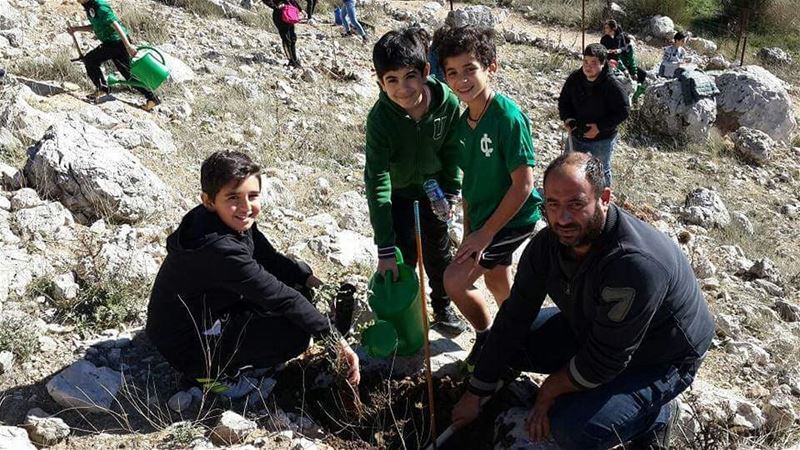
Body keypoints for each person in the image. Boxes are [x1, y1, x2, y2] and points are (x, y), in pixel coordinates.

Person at [451, 153, 715, 450]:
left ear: (603, 197)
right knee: (504, 345)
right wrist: (477, 391)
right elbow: (514, 315)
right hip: (594, 327)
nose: (562, 218)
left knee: (572, 429)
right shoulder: (548, 244)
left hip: (660, 357)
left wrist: (550, 390)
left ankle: (657, 415)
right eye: (553, 204)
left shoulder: (634, 264)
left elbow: (605, 359)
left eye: (576, 204)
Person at [146, 150, 360, 399]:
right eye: (234, 197)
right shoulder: (219, 249)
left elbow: (267, 257)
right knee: (296, 336)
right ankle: (209, 377)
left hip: (205, 312)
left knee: (298, 284)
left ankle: (232, 351)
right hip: (187, 345)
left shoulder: (224, 219)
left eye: (253, 196)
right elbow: (281, 297)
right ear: (209, 200)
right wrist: (335, 340)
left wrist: (311, 281)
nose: (247, 207)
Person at [435, 25, 543, 372]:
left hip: (512, 218)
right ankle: (521, 339)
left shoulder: (507, 117)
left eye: (470, 69)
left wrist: (486, 233)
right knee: (497, 280)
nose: (461, 80)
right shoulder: (464, 123)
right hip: (485, 219)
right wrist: (470, 231)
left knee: (454, 281)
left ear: (490, 67)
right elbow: (472, 186)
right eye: (452, 72)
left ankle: (489, 341)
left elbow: (523, 185)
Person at [365, 26, 467, 336]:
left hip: (433, 192)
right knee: (403, 256)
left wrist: (451, 189)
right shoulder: (380, 119)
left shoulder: (446, 102)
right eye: (391, 80)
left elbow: (452, 148)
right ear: (381, 82)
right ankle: (409, 313)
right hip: (397, 195)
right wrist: (384, 247)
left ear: (425, 71)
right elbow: (377, 178)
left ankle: (442, 304)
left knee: (438, 252)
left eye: (409, 76)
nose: (403, 89)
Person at [67, 0, 160, 111]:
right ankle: (152, 98)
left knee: (91, 60)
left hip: (117, 42)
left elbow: (115, 25)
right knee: (127, 73)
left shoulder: (100, 7)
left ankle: (102, 89)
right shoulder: (89, 6)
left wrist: (128, 46)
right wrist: (76, 29)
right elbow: (96, 26)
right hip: (111, 43)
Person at [558, 43, 629, 187]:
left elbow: (624, 111)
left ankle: (602, 202)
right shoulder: (575, 78)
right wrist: (568, 119)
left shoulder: (612, 85)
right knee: (568, 166)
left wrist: (600, 127)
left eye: (593, 63)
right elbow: (564, 101)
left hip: (602, 138)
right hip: (576, 134)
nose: (588, 66)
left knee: (601, 172)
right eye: (585, 61)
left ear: (603, 63)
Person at [600, 19, 646, 102]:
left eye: (607, 27)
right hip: (612, 63)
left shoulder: (621, 38)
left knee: (642, 75)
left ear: (612, 29)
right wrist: (607, 52)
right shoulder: (604, 39)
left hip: (622, 62)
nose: (605, 29)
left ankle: (634, 96)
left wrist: (618, 50)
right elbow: (601, 51)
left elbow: (629, 54)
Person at [263, 0, 303, 68]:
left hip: (289, 13)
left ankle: (295, 59)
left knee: (293, 38)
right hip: (279, 16)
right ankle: (291, 61)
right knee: (286, 39)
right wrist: (276, 6)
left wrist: (300, 9)